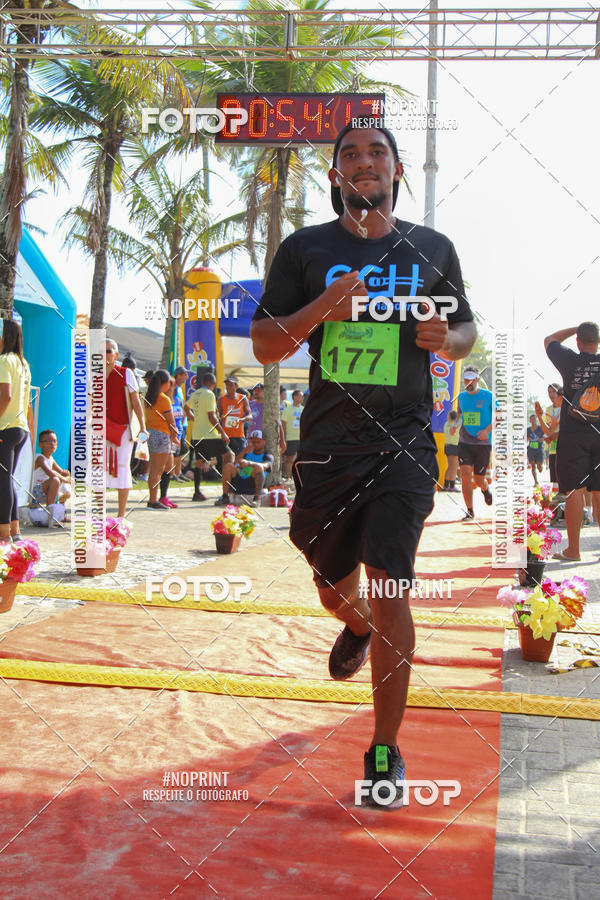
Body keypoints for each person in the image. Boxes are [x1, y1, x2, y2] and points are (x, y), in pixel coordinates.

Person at [250, 122, 476, 808]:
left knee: (390, 587)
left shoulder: (433, 248)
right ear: (335, 178)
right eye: (349, 154)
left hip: (405, 440)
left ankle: (384, 749)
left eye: (377, 151)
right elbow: (263, 343)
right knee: (332, 586)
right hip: (328, 445)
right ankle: (352, 626)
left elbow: (466, 327)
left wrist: (449, 338)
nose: (364, 161)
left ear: (398, 170)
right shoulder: (305, 249)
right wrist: (325, 305)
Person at [545, 321, 600, 561]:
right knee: (599, 491)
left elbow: (549, 340)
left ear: (578, 342)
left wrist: (573, 328)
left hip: (574, 433)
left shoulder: (569, 360)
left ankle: (574, 550)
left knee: (574, 491)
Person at [0, 318, 33, 543]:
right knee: (7, 479)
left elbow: (6, 396)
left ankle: (3, 535)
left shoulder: (4, 361)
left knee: (2, 481)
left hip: (6, 427)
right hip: (20, 429)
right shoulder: (24, 363)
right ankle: (15, 530)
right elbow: (27, 401)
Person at [106, 339, 147, 517]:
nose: (105, 354)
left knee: (122, 468)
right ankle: (99, 515)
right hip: (100, 430)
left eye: (109, 351)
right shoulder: (93, 374)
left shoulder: (126, 373)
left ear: (116, 354)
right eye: (102, 351)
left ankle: (120, 516)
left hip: (123, 430)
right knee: (98, 470)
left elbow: (136, 402)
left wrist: (142, 427)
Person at [184, 372, 231, 502]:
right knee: (228, 456)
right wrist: (222, 432)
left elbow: (186, 408)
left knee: (199, 463)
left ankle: (197, 492)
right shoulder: (210, 394)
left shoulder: (196, 393)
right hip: (210, 434)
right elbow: (212, 416)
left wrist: (194, 419)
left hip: (197, 435)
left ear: (202, 382)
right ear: (213, 384)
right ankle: (228, 492)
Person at [457, 365, 495, 520]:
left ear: (477, 379)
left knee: (478, 479)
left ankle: (485, 488)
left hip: (483, 443)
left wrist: (487, 430)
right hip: (465, 441)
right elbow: (459, 415)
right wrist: (455, 424)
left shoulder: (488, 396)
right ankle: (470, 510)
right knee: (466, 474)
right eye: (465, 379)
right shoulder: (461, 397)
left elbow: (499, 416)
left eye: (471, 379)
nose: (468, 382)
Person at [143, 369, 178, 510]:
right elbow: (171, 421)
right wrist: (174, 436)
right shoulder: (164, 399)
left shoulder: (149, 396)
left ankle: (153, 499)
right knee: (159, 470)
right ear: (164, 384)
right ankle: (153, 500)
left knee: (154, 470)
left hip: (151, 433)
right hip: (163, 435)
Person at [215, 375, 251, 505]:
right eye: (227, 385)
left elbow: (250, 415)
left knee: (242, 463)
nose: (229, 387)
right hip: (226, 437)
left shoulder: (243, 399)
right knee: (227, 465)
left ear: (236, 386)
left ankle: (244, 491)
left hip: (239, 436)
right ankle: (225, 494)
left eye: (231, 385)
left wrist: (241, 420)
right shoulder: (221, 400)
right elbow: (217, 418)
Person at [220, 430, 272, 505]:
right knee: (228, 466)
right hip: (240, 480)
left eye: (258, 442)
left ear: (264, 442)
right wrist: (245, 451)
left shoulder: (267, 456)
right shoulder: (246, 452)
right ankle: (225, 497)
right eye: (253, 442)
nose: (255, 444)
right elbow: (235, 463)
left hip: (253, 483)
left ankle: (257, 499)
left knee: (259, 467)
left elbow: (265, 466)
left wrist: (249, 463)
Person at [31, 430, 71, 524]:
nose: (52, 443)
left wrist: (67, 475)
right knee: (55, 480)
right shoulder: (40, 458)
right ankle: (50, 513)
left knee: (65, 484)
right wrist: (63, 478)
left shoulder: (51, 459)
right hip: (36, 492)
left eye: (54, 441)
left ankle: (60, 514)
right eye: (48, 441)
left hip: (47, 491)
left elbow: (62, 472)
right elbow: (51, 473)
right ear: (40, 445)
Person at [281, 389, 303, 478]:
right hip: (290, 438)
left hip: (301, 438)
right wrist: (283, 438)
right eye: (300, 396)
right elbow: (283, 424)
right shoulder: (288, 409)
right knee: (289, 459)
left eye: (302, 396)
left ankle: (297, 477)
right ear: (294, 397)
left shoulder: (303, 409)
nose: (302, 398)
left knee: (300, 459)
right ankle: (288, 477)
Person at [172, 366, 189, 481]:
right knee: (176, 450)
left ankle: (178, 472)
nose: (187, 377)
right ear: (178, 375)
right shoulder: (173, 387)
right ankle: (173, 473)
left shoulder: (179, 389)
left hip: (183, 423)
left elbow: (182, 406)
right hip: (177, 424)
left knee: (182, 450)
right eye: (184, 375)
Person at [442, 409, 461, 491]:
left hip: (447, 446)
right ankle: (452, 486)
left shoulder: (446, 424)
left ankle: (446, 486)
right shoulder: (457, 424)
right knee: (454, 467)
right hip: (455, 446)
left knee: (450, 467)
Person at [526, 413, 545, 486]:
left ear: (536, 420)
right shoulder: (528, 430)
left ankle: (540, 467)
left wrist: (542, 439)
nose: (533, 420)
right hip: (531, 450)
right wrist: (527, 438)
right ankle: (536, 481)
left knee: (539, 467)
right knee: (533, 465)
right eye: (532, 419)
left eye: (534, 419)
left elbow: (546, 436)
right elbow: (524, 438)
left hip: (539, 449)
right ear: (530, 421)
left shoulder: (541, 428)